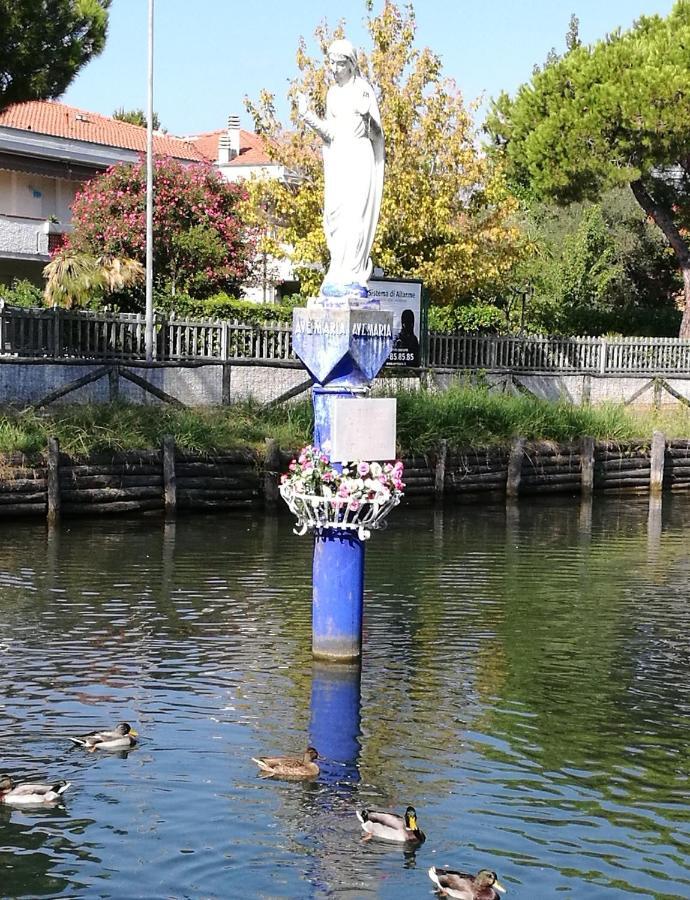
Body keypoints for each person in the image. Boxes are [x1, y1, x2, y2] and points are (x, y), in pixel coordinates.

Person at [296, 38, 384, 305]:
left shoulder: (363, 90)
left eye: (340, 63)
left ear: (351, 64)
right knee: (335, 217)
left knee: (354, 218)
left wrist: (368, 116)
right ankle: (338, 273)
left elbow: (377, 135)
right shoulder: (332, 94)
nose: (334, 68)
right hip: (339, 160)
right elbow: (331, 133)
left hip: (359, 157)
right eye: (332, 63)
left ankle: (353, 275)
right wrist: (307, 115)